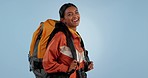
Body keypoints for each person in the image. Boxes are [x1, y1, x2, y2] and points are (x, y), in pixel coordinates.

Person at [43, 3, 94, 78]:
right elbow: (47, 63)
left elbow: (73, 61)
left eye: (76, 12)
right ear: (63, 20)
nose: (75, 16)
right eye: (70, 14)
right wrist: (67, 68)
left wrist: (86, 65)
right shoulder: (60, 36)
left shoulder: (76, 36)